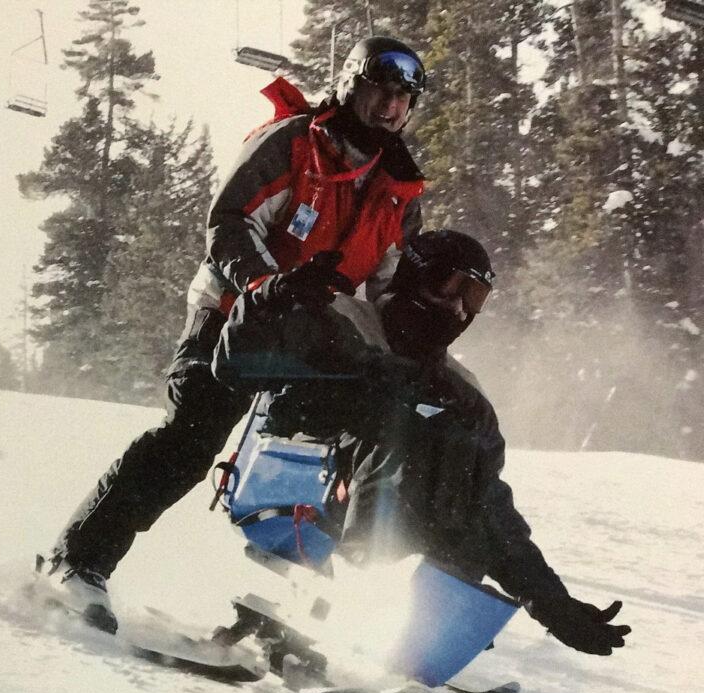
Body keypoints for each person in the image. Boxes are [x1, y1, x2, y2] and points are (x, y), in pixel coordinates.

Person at [40, 37, 430, 632]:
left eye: (403, 98)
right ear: (351, 85)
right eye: (380, 90)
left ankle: (311, 608)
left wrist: (417, 347)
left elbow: (388, 287)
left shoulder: (398, 188)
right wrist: (268, 285)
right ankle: (77, 562)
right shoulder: (294, 145)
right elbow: (227, 223)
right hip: (232, 312)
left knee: (348, 449)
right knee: (191, 440)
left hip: (313, 335)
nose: (390, 106)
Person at [211, 232, 631, 656]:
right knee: (405, 430)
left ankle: (420, 622)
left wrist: (554, 605)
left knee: (461, 470)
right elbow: (237, 362)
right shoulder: (340, 319)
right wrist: (267, 300)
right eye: (451, 286)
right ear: (414, 276)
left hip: (370, 517)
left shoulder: (461, 392)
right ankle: (358, 594)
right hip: (288, 483)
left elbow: (487, 503)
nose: (457, 307)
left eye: (475, 297)